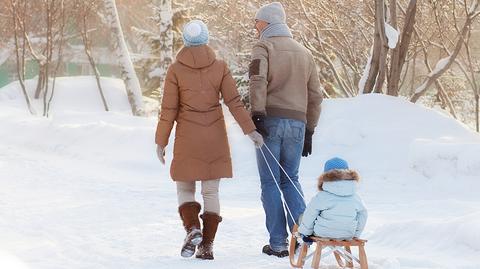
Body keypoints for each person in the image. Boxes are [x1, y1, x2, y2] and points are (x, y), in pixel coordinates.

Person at [155, 20, 264, 260]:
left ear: (185, 40)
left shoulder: (175, 69)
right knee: (211, 191)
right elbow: (234, 102)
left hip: (187, 137)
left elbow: (168, 109)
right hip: (214, 136)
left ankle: (192, 227)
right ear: (206, 39)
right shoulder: (220, 67)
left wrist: (161, 141)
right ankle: (207, 246)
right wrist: (251, 131)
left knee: (185, 186)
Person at [248, 2, 324, 257]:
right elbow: (316, 96)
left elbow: (257, 79)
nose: (255, 26)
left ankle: (279, 243)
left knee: (270, 181)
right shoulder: (305, 53)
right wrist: (310, 129)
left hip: (270, 120)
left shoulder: (263, 46)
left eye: (257, 22)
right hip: (298, 124)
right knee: (290, 178)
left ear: (267, 23)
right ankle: (305, 236)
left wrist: (257, 113)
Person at [298, 157, 368, 240]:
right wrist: (356, 233)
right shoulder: (355, 197)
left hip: (323, 233)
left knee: (303, 217)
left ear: (325, 175)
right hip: (347, 234)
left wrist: (306, 233)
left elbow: (310, 213)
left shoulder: (322, 196)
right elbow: (363, 214)